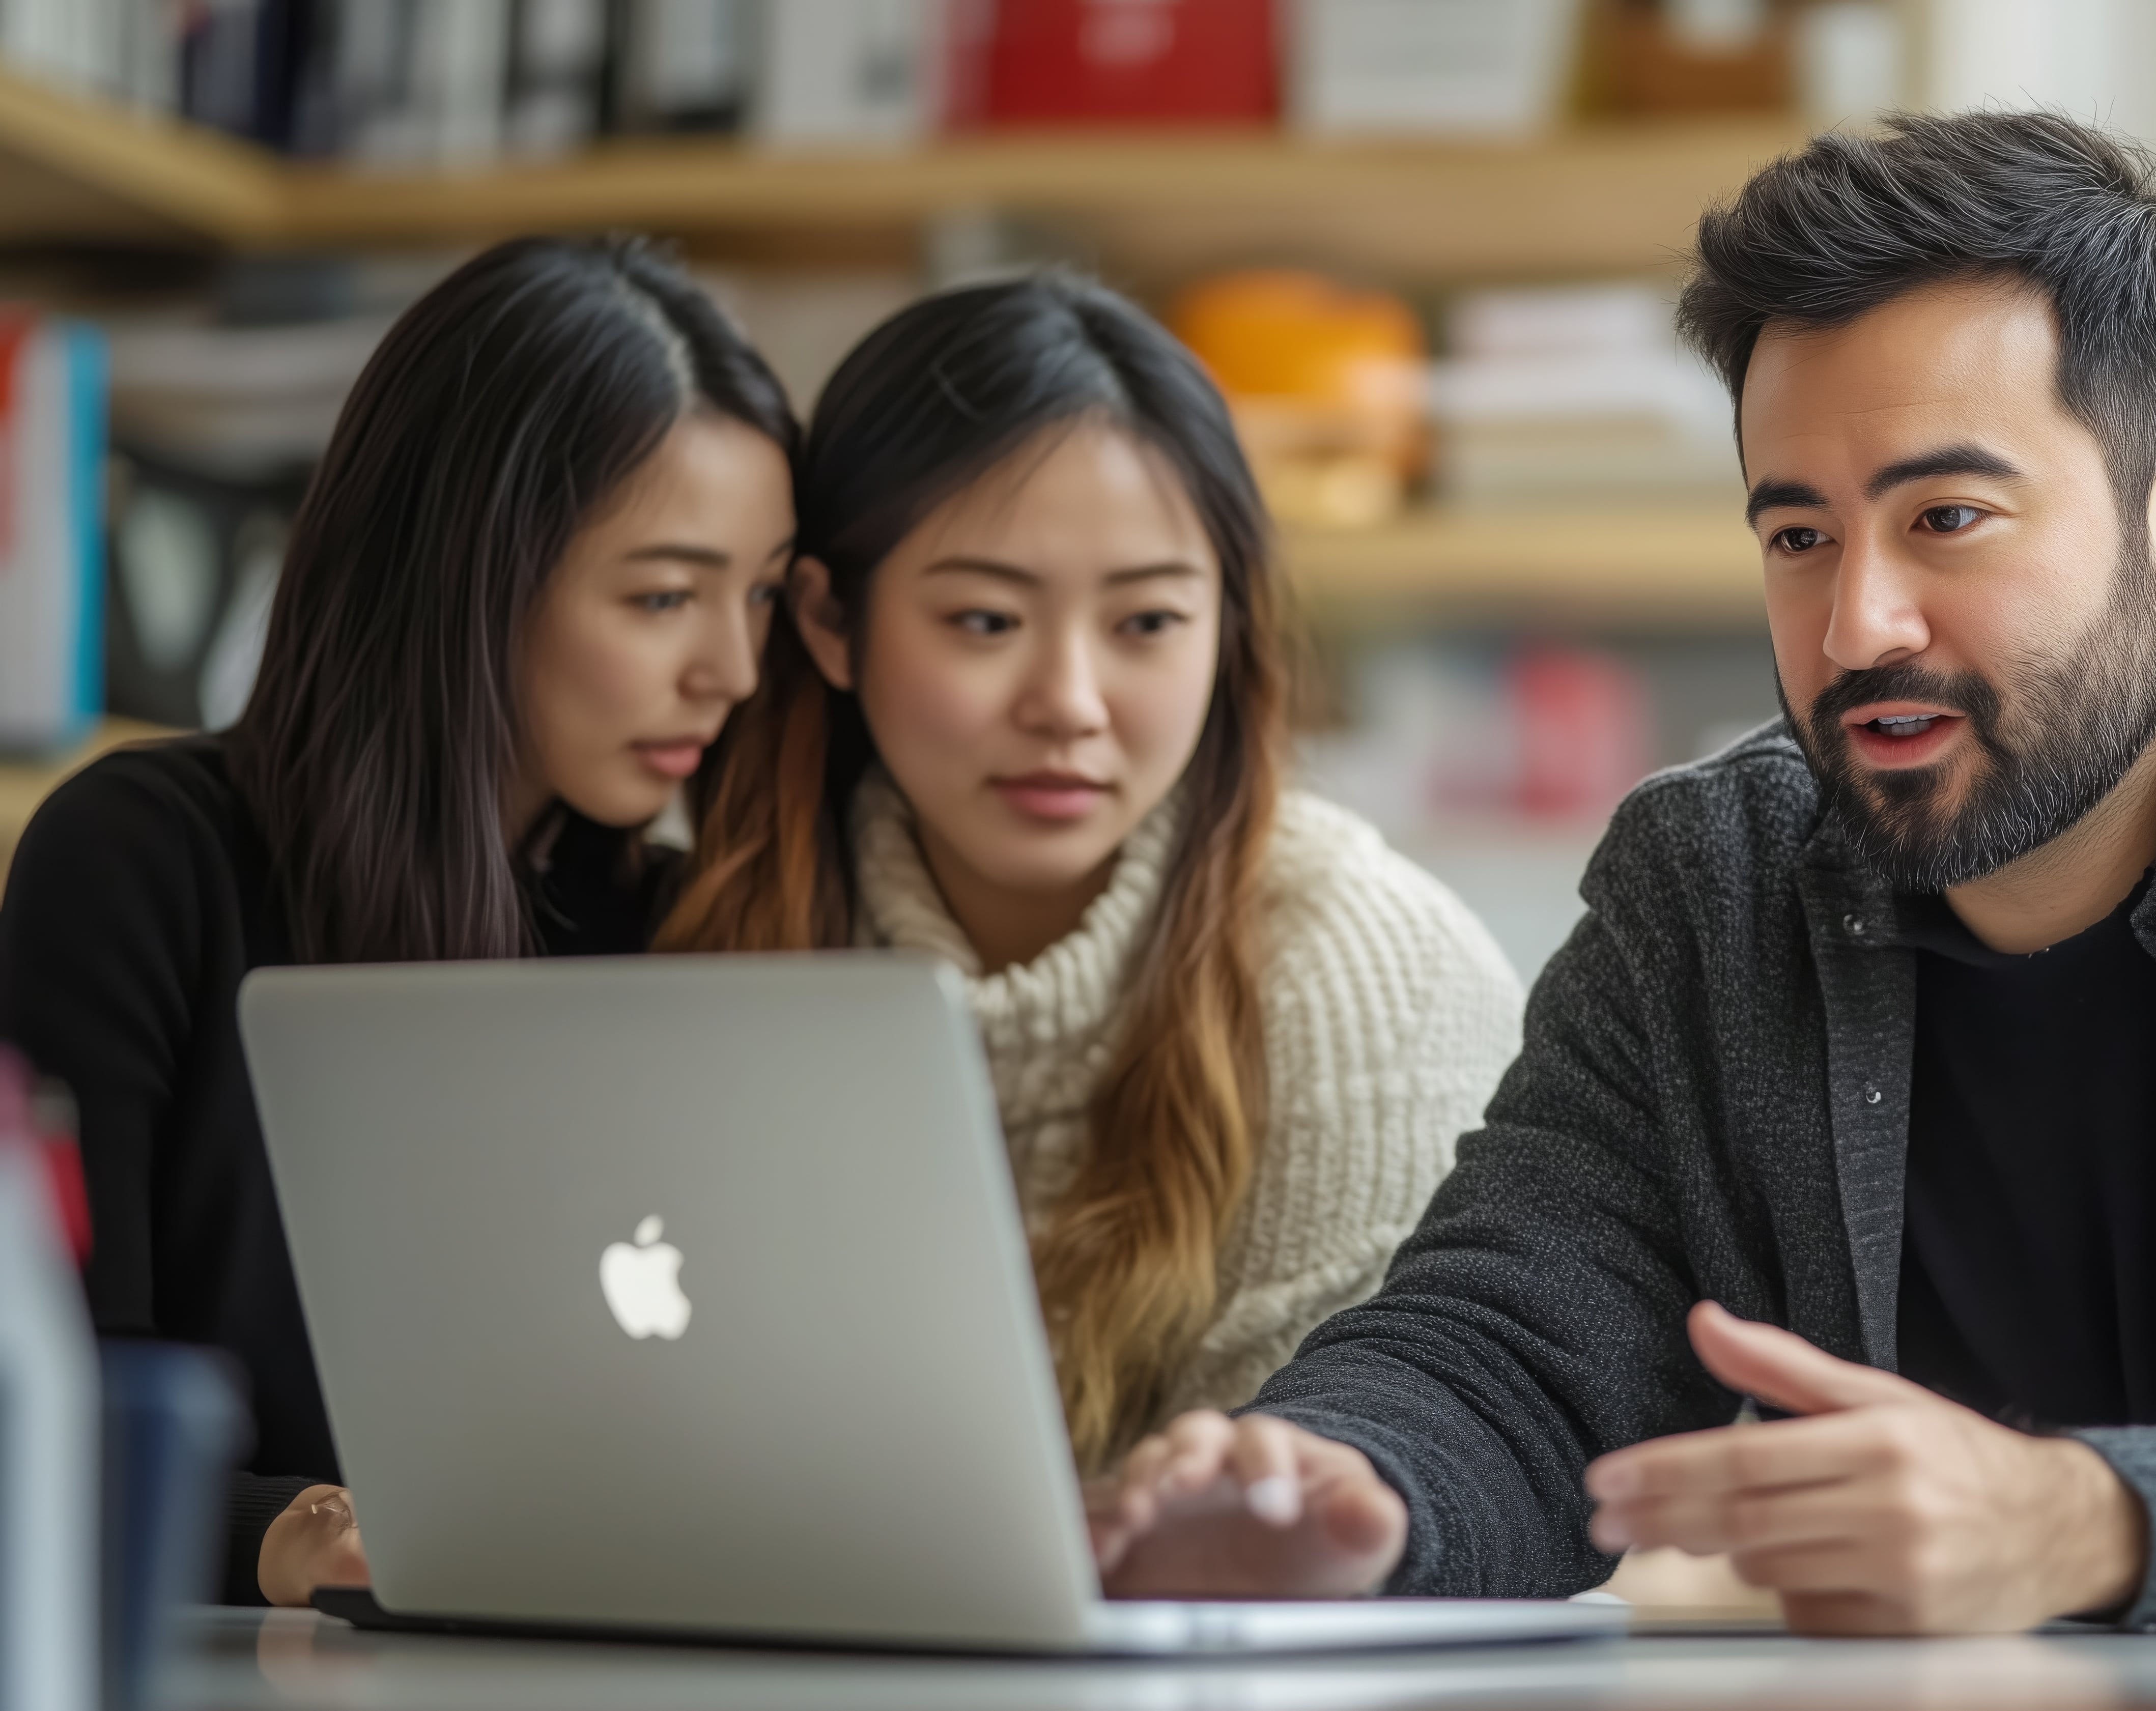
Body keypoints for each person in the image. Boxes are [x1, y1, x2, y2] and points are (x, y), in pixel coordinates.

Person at [1083, 110, 2156, 1634]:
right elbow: (1513, 1339)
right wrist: (1344, 1486)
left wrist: (2086, 1520)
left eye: (1947, 519)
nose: (1856, 625)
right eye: (1797, 533)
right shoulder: (1710, 885)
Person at [0, 237, 798, 1608]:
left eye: (764, 595)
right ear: (465, 572)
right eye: (664, 595)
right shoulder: (144, 861)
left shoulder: (684, 935)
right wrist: (280, 1532)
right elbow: (52, 1418)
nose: (731, 668)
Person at [655, 273, 1520, 1475]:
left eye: (1147, 624)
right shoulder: (721, 931)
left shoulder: (1364, 969)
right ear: (830, 621)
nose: (1067, 703)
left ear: (1227, 628)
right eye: (985, 623)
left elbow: (1291, 1538)